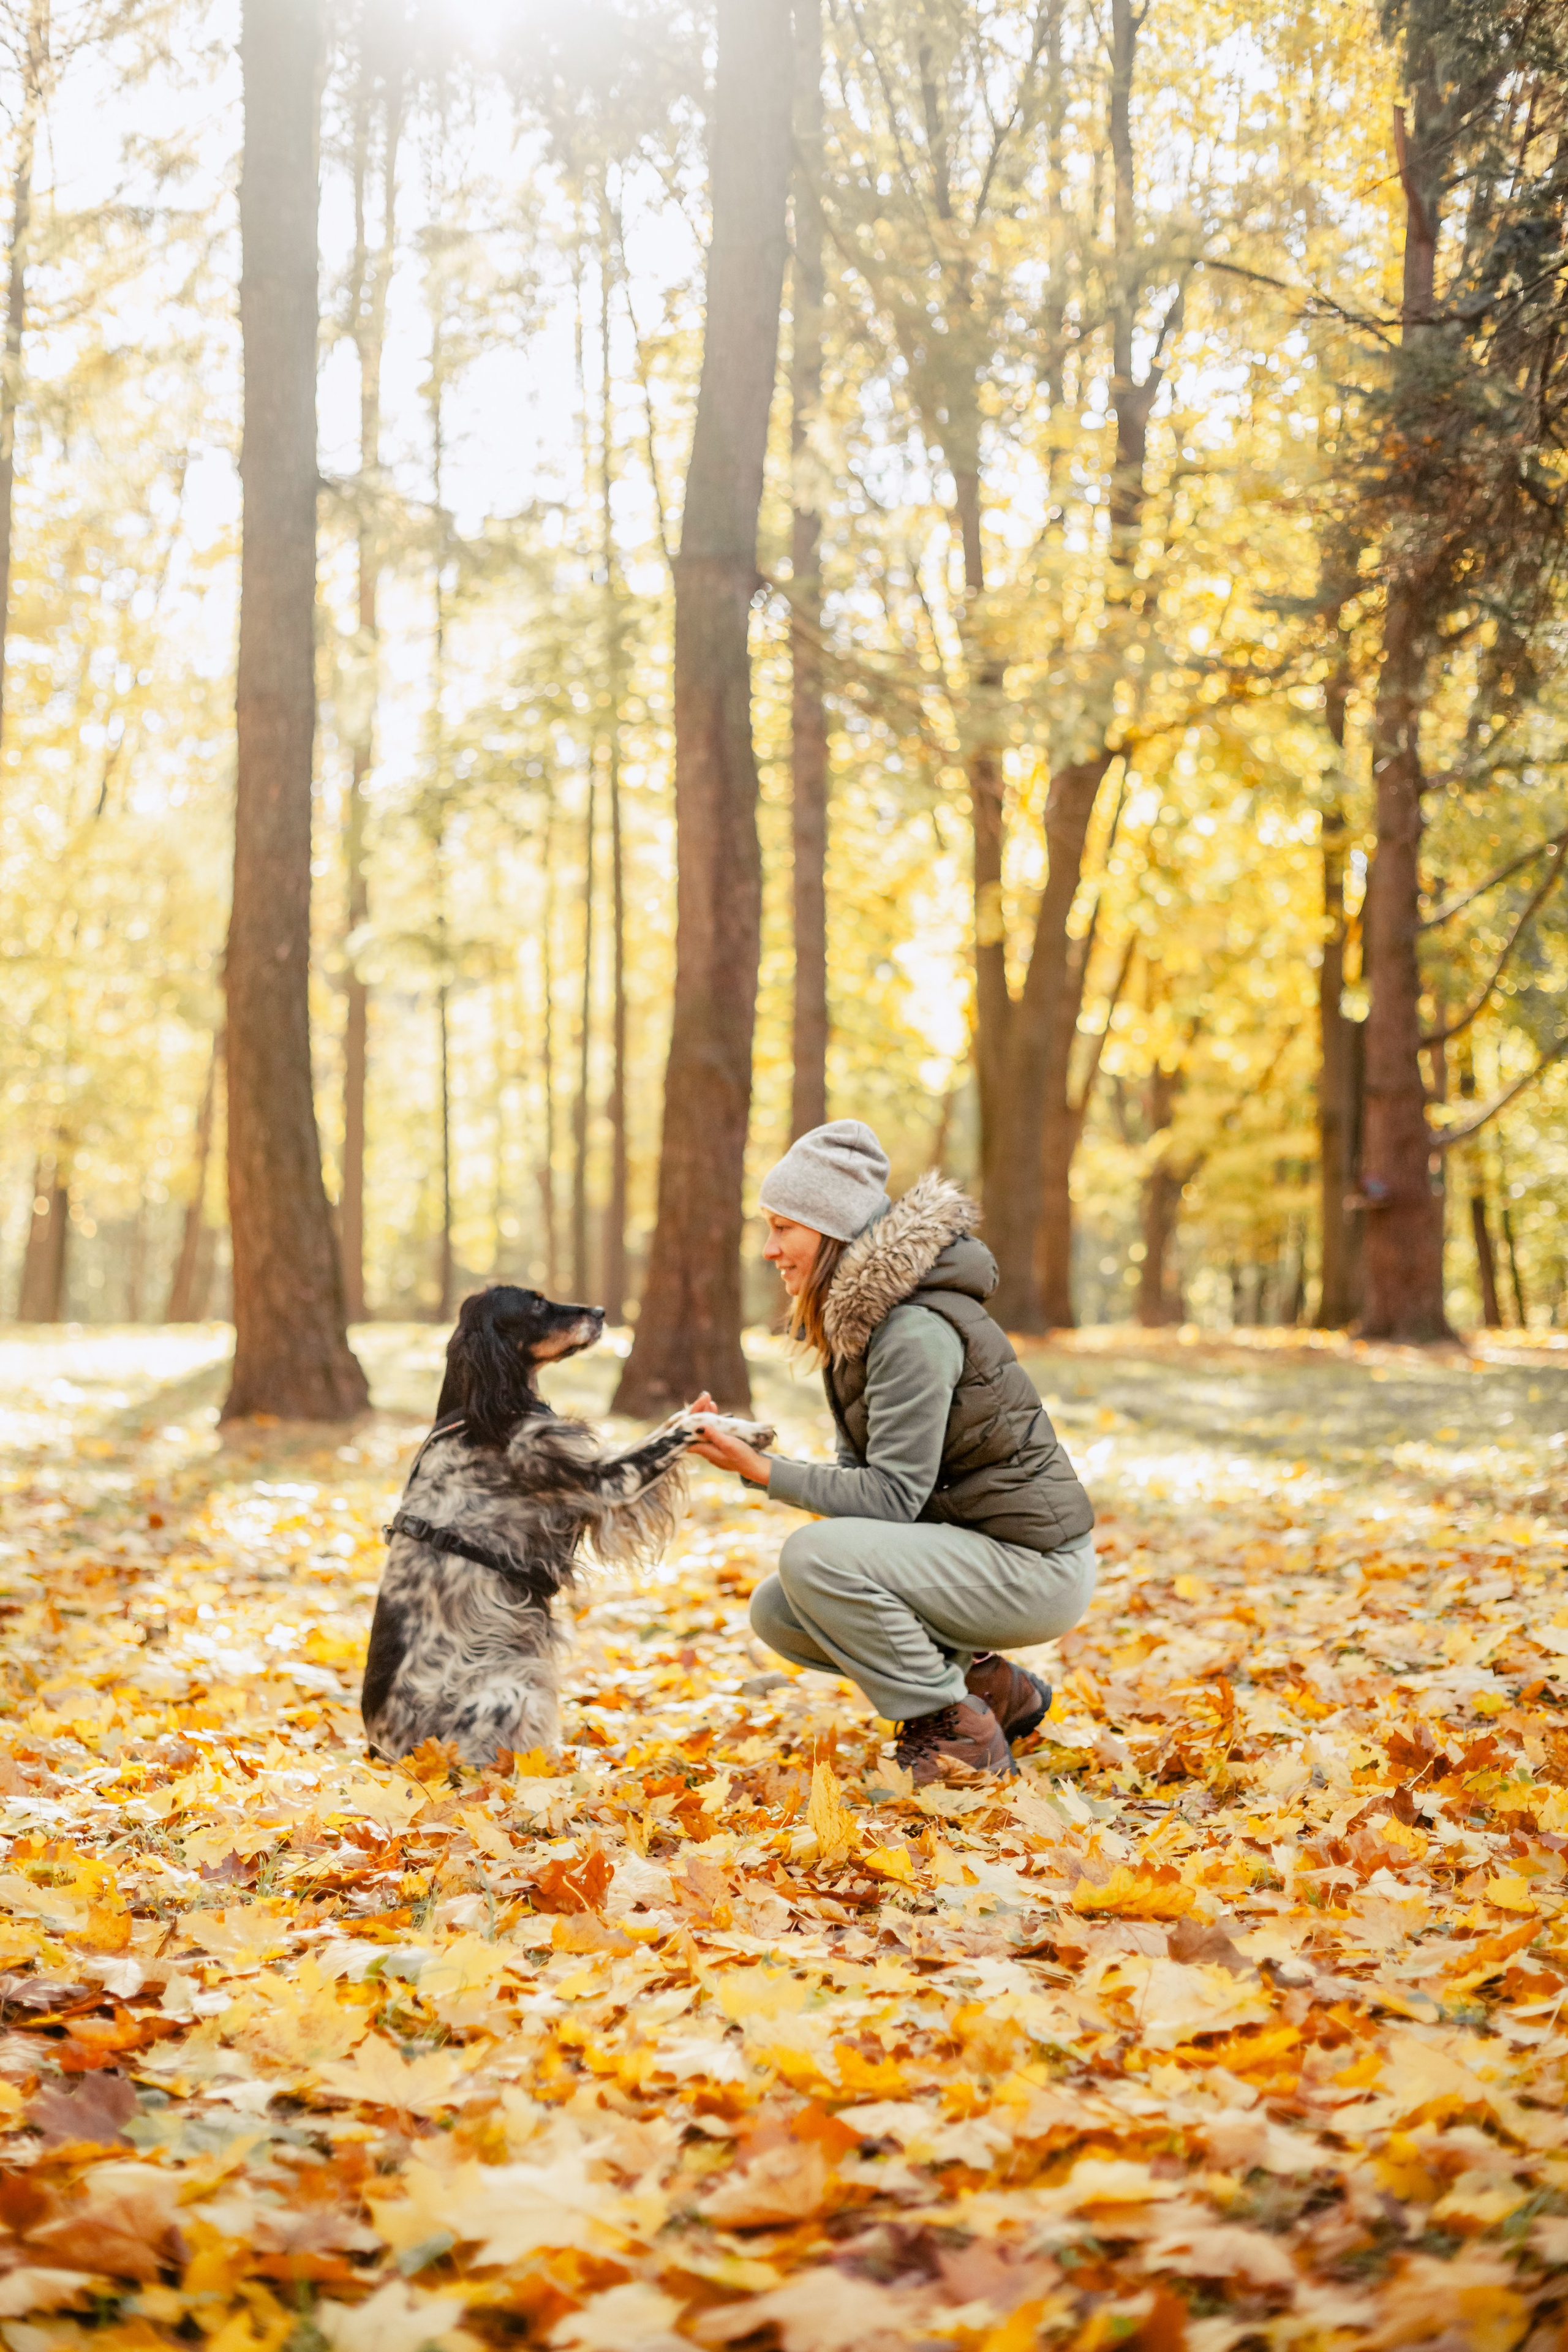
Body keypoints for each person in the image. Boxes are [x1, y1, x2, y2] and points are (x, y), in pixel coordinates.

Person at [688, 1120, 1097, 1784]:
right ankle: (990, 1688)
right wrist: (753, 1456)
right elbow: (869, 1491)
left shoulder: (912, 1330)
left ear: (831, 1230)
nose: (770, 1249)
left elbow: (892, 1499)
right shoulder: (865, 1326)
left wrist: (761, 1471)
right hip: (981, 1554)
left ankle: (958, 1735)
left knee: (812, 1557)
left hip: (1037, 1571)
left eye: (783, 1227)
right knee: (781, 1611)